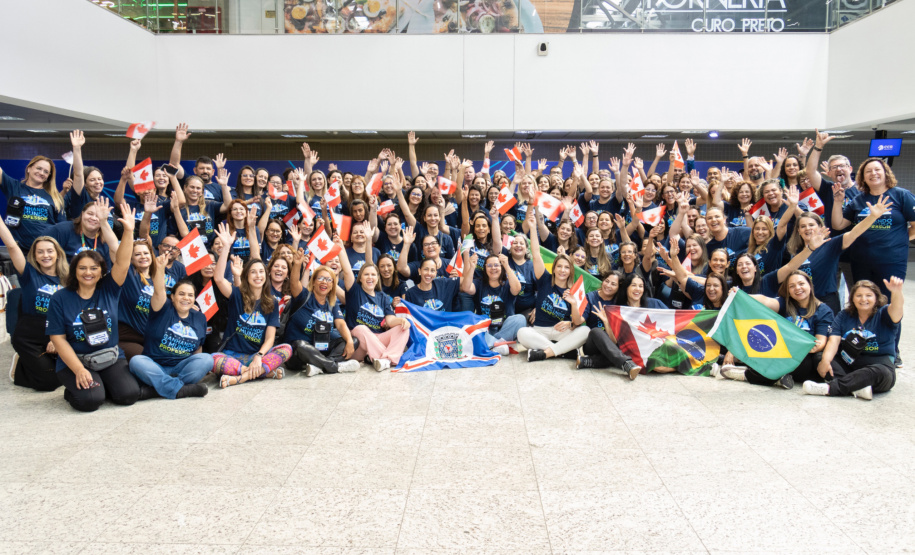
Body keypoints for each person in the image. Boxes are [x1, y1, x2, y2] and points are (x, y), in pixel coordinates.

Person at [46, 203, 141, 412]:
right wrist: (79, 369)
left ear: (101, 271)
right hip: (77, 360)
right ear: (74, 270)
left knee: (128, 395)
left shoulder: (109, 288)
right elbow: (58, 339)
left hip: (109, 356)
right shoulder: (60, 298)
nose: (88, 272)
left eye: (94, 268)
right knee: (90, 401)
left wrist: (128, 231)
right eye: (82, 268)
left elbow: (123, 262)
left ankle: (102, 383)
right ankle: (74, 389)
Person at [211, 223, 292, 388]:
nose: (258, 275)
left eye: (261, 271)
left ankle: (240, 377)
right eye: (253, 272)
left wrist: (259, 356)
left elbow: (270, 338)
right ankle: (261, 372)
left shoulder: (272, 302)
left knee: (286, 348)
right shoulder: (237, 295)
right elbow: (219, 279)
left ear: (266, 276)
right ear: (246, 276)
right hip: (232, 355)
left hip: (256, 355)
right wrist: (226, 247)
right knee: (212, 360)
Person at [721, 271, 834, 389]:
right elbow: (765, 300)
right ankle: (779, 378)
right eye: (792, 286)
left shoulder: (823, 310)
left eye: (801, 284)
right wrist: (741, 295)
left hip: (803, 357)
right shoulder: (785, 304)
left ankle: (744, 374)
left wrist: (804, 347)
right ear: (788, 290)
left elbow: (820, 342)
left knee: (799, 362)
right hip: (780, 352)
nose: (797, 288)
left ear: (810, 285)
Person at [127, 254, 212, 399]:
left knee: (207, 360)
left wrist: (198, 370)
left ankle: (157, 388)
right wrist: (159, 269)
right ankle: (181, 389)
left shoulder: (199, 317)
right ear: (172, 297)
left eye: (190, 295)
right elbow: (159, 290)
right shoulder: (163, 308)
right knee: (136, 361)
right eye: (181, 294)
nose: (186, 298)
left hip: (181, 368)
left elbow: (198, 348)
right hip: (155, 365)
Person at [803, 278, 904, 400]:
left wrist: (896, 292)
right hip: (848, 365)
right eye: (859, 295)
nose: (863, 299)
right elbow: (834, 340)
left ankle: (830, 388)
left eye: (869, 295)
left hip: (879, 365)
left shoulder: (884, 313)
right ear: (852, 299)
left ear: (876, 298)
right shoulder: (844, 315)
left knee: (879, 371)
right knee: (820, 357)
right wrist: (825, 361)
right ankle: (856, 387)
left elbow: (897, 308)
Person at [0, 216, 67, 391]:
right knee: (51, 382)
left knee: (69, 373)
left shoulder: (68, 278)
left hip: (56, 331)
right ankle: (20, 365)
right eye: (40, 252)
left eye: (50, 251)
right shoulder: (28, 273)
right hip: (30, 334)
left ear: (58, 253)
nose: (46, 255)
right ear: (34, 256)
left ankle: (33, 361)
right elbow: (12, 246)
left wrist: (59, 338)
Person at [516, 206, 589, 361]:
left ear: (571, 271)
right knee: (522, 333)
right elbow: (536, 254)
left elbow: (577, 322)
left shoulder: (575, 289)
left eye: (566, 267)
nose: (562, 270)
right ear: (554, 268)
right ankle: (561, 351)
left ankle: (545, 352)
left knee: (585, 331)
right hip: (539, 330)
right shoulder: (544, 279)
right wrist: (532, 227)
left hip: (561, 331)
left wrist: (573, 306)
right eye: (559, 266)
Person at [342, 237, 412, 371]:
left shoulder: (383, 297)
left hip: (378, 337)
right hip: (359, 344)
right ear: (360, 278)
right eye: (366, 274)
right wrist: (340, 247)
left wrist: (401, 320)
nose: (370, 277)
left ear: (377, 278)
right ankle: (388, 358)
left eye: (373, 275)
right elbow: (346, 270)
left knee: (404, 328)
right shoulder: (354, 291)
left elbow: (390, 320)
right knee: (361, 329)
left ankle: (383, 359)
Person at [284, 254, 360, 376]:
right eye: (320, 278)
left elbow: (340, 324)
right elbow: (293, 283)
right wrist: (297, 265)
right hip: (297, 354)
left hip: (321, 349)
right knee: (300, 345)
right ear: (313, 282)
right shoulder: (303, 296)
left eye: (329, 280)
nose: (324, 282)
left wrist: (350, 341)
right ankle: (333, 366)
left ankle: (319, 366)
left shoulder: (332, 303)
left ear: (332, 286)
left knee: (353, 340)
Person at [460, 251, 526, 355]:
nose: (493, 268)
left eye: (496, 265)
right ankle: (498, 344)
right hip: (485, 328)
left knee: (520, 319)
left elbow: (517, 289)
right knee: (472, 326)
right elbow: (466, 288)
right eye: (489, 265)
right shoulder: (479, 283)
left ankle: (492, 343)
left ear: (501, 267)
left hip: (504, 326)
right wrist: (472, 267)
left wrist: (507, 266)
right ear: (485, 268)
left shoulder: (508, 283)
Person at [0, 154, 65, 249]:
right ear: (29, 169)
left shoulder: (55, 197)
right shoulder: (14, 187)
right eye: (39, 168)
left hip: (45, 251)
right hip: (18, 250)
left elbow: (62, 229)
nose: (42, 173)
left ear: (48, 177)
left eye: (46, 172)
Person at [117, 238, 160, 360]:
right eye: (137, 254)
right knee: (147, 360)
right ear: (130, 258)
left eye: (146, 253)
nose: (143, 257)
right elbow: (115, 251)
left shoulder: (157, 279)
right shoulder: (128, 275)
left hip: (151, 337)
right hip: (128, 337)